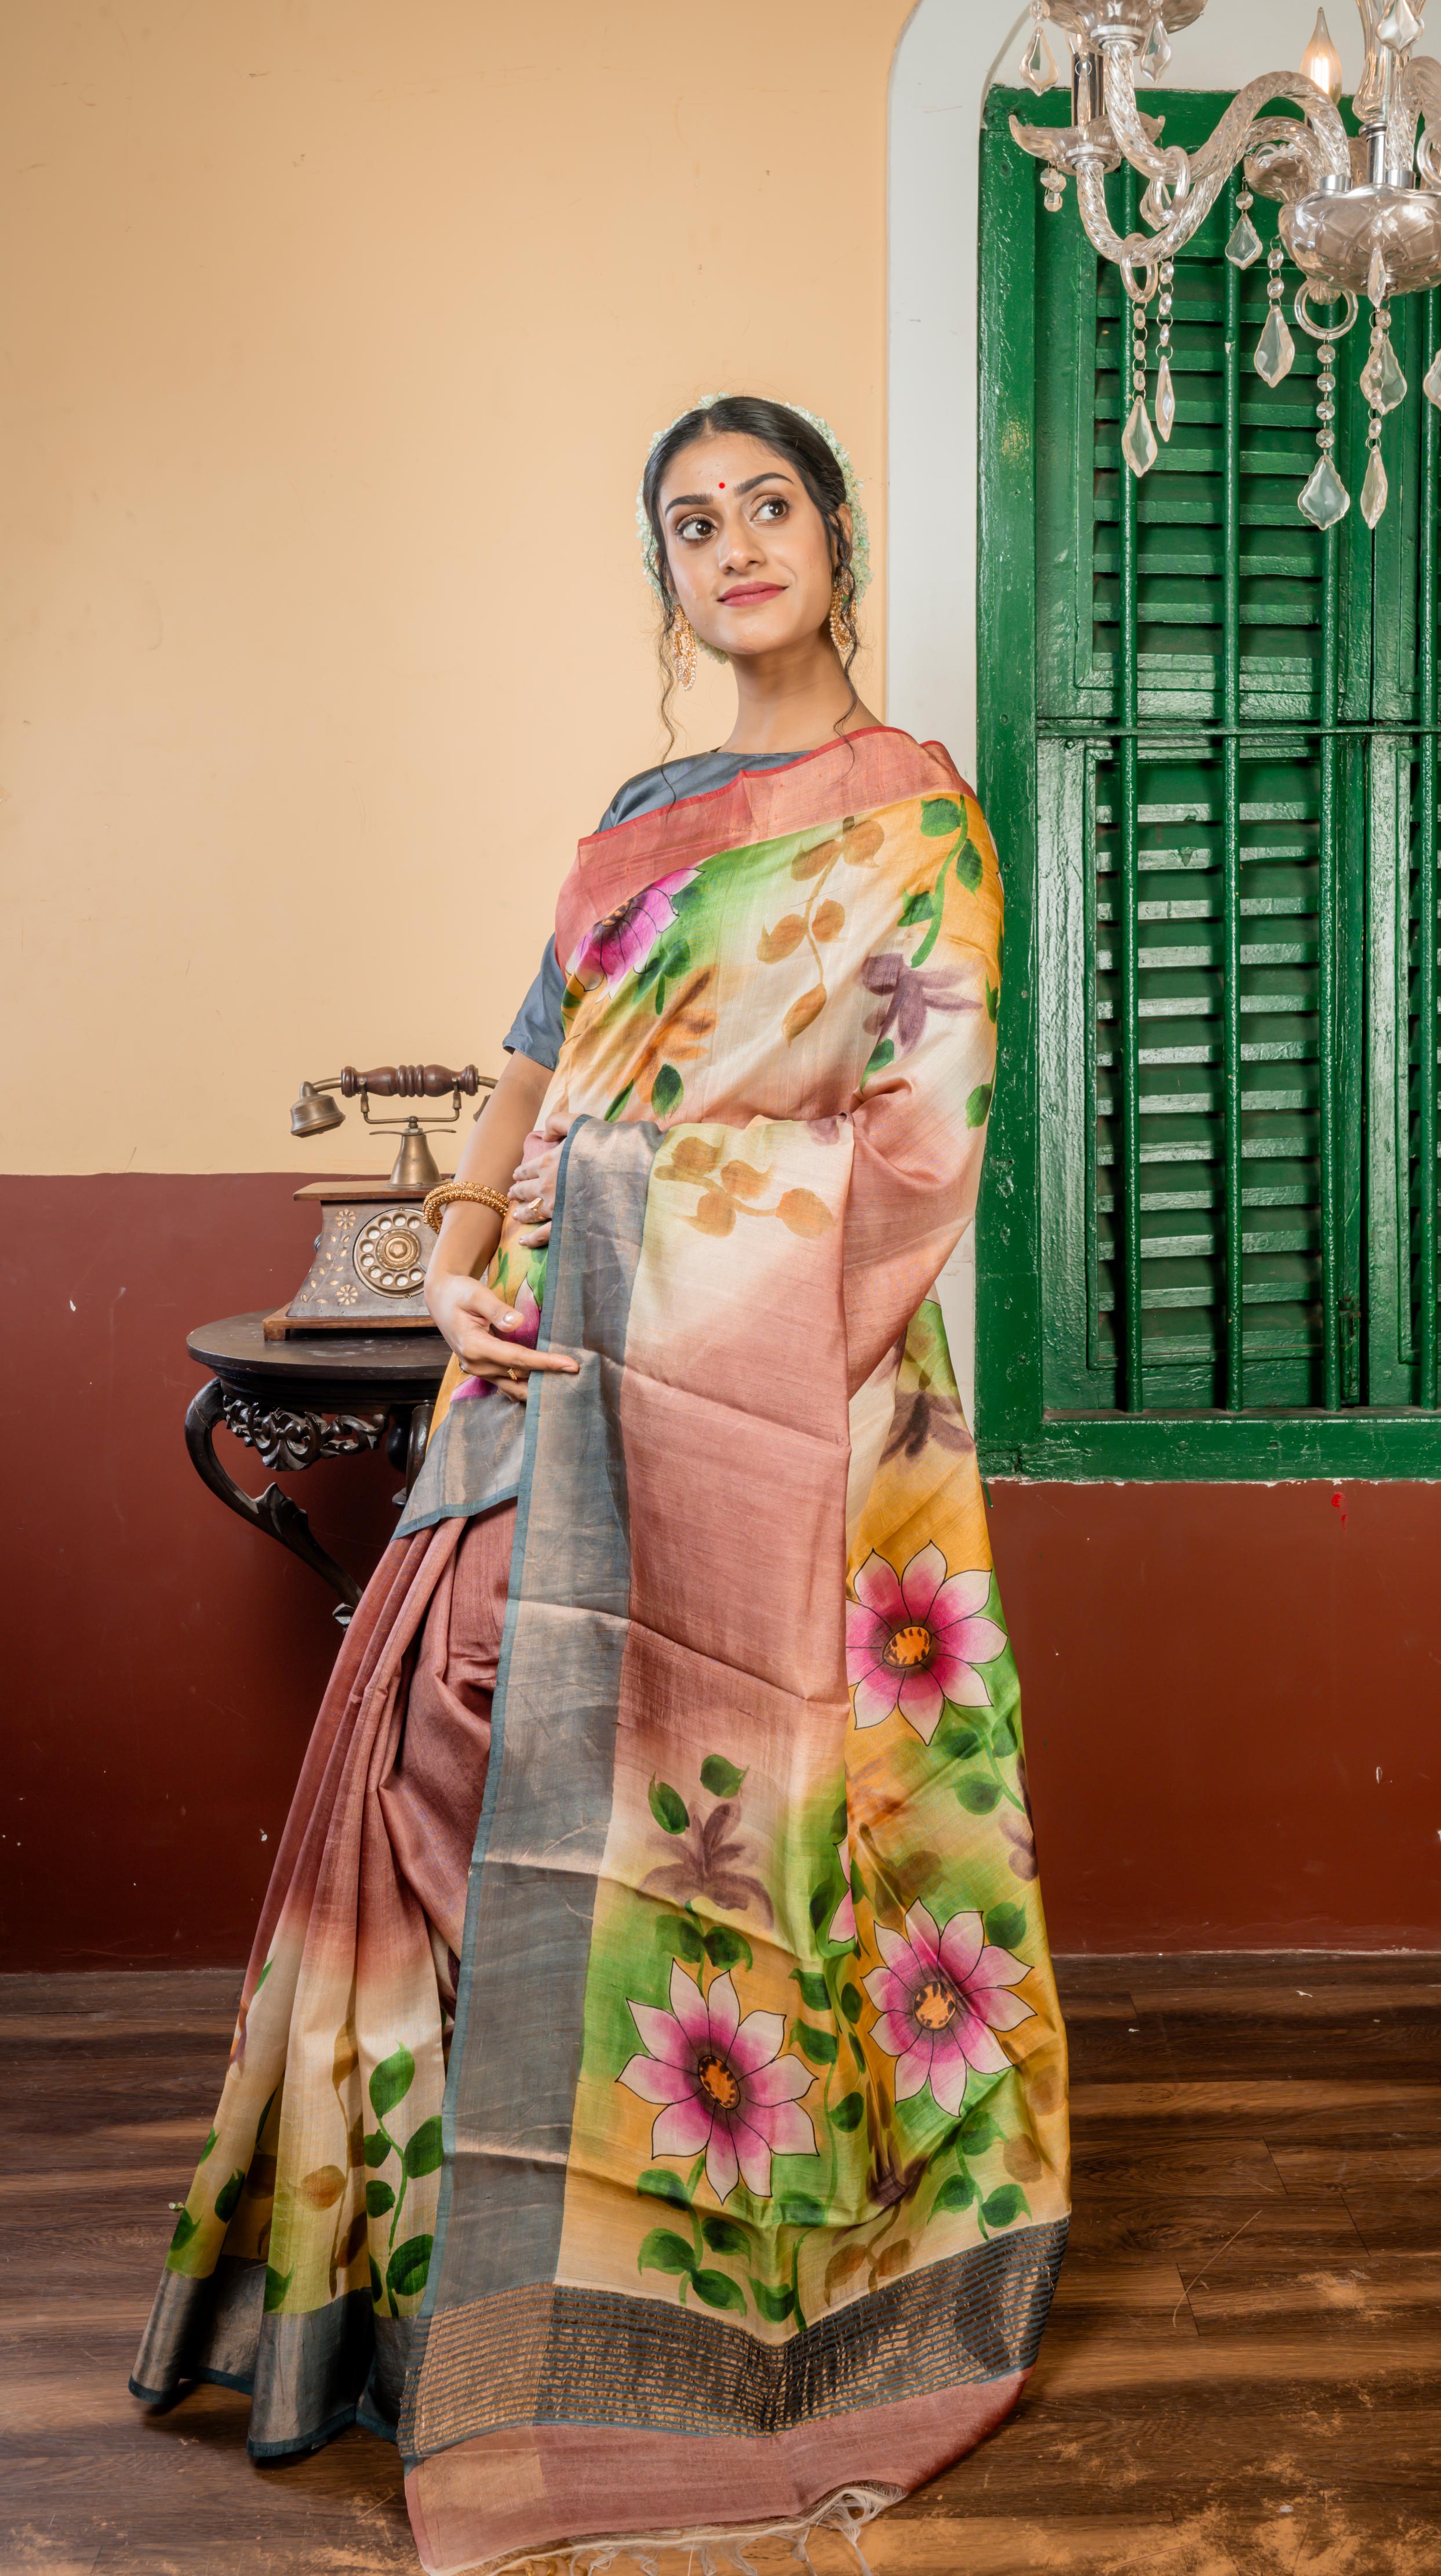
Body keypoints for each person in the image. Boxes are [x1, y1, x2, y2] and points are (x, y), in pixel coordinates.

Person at [132, 396, 1069, 2573]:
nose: (734, 544)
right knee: (448, 1750)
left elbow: (923, 1151)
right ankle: (422, 2302)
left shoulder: (921, 823)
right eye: (691, 522)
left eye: (768, 507)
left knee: (734, 1822)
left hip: (772, 1387)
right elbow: (532, 1062)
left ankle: (686, 2308)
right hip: (545, 1348)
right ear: (664, 578)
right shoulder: (628, 834)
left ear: (833, 536)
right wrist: (458, 1264)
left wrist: (646, 1223)